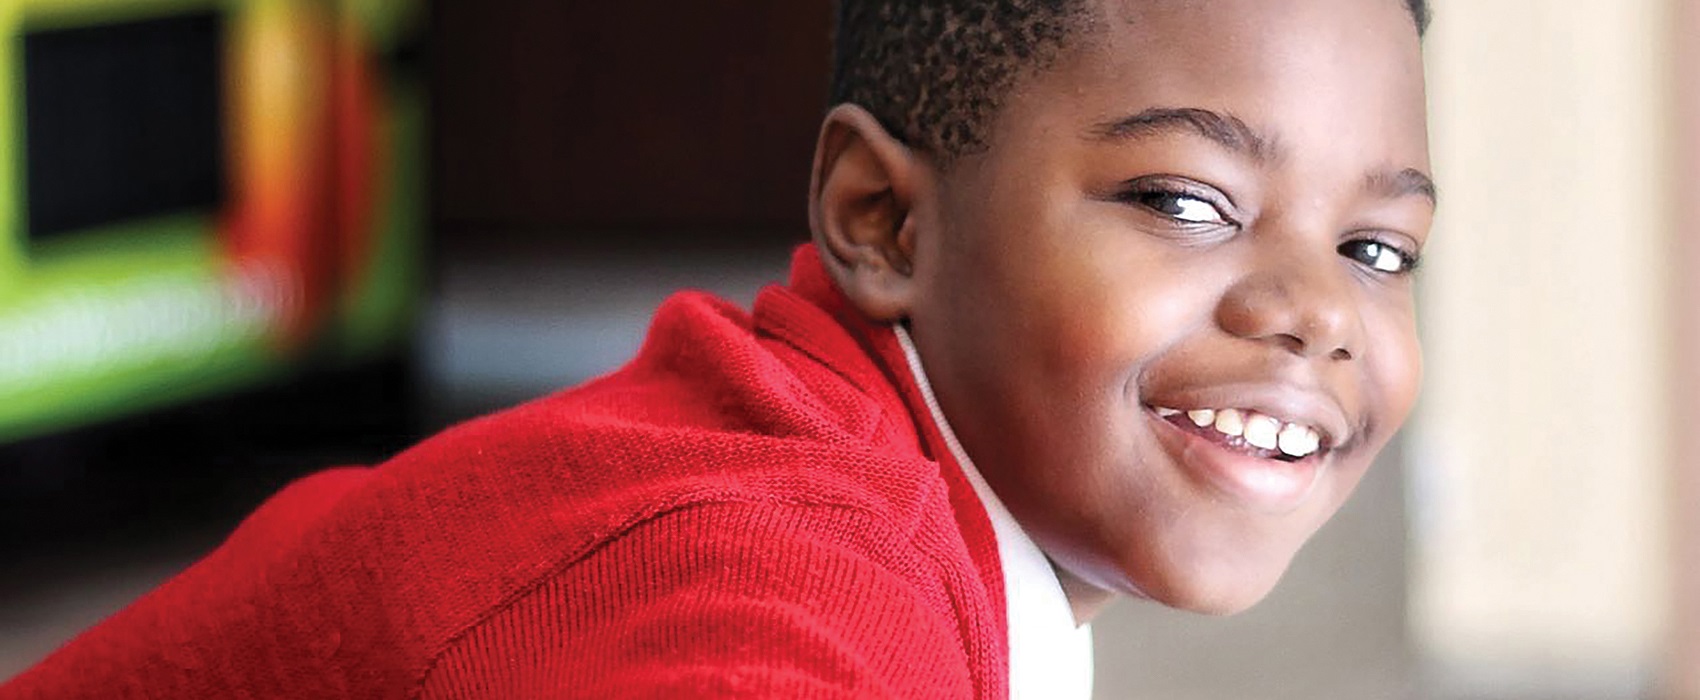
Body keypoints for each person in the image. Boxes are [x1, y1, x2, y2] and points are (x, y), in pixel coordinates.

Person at [1, 0, 1437, 697]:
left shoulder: (909, 524)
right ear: (881, 219)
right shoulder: (782, 580)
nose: (1314, 311)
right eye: (1186, 203)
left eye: (1378, 250)